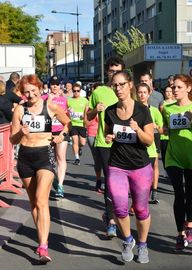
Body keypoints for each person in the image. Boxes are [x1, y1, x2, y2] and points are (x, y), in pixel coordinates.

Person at [10, 74, 71, 264]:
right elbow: (12, 139)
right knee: (33, 203)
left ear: (40, 89)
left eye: (33, 91)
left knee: (41, 199)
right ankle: (41, 235)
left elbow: (67, 123)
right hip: (25, 158)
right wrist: (21, 132)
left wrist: (61, 135)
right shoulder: (20, 110)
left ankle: (43, 246)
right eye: (26, 92)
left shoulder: (50, 106)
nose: (30, 95)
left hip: (45, 155)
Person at [105, 70, 154, 263]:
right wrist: (110, 137)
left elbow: (149, 141)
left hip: (140, 166)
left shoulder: (142, 111)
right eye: (115, 85)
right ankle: (127, 240)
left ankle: (142, 244)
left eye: (121, 84)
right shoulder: (109, 111)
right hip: (117, 165)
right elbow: (109, 133)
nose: (118, 88)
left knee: (141, 209)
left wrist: (138, 130)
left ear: (130, 85)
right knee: (119, 207)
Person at [162, 74, 192, 251]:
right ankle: (180, 234)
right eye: (173, 87)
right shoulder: (167, 108)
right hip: (173, 156)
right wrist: (164, 129)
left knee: (190, 194)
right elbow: (166, 128)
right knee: (178, 194)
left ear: (189, 88)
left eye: (179, 87)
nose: (174, 90)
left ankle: (189, 224)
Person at [87, 56, 125, 238]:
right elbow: (87, 116)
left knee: (124, 184)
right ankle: (111, 219)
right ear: (107, 72)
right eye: (111, 71)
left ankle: (114, 212)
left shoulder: (128, 91)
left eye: (118, 71)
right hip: (105, 142)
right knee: (111, 181)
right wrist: (96, 110)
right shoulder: (99, 91)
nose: (114, 74)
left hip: (126, 142)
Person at [136, 82, 163, 204]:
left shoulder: (155, 111)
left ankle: (140, 202)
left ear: (149, 94)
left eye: (144, 93)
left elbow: (163, 130)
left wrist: (156, 127)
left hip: (150, 149)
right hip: (134, 149)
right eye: (140, 92)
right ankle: (137, 202)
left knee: (145, 180)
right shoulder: (132, 110)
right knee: (137, 180)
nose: (142, 95)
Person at [47, 75, 69, 198]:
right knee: (49, 161)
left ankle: (60, 185)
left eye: (57, 84)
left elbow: (67, 119)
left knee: (61, 158)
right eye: (52, 84)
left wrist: (63, 133)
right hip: (48, 133)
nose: (55, 86)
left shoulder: (64, 100)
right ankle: (53, 180)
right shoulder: (44, 98)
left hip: (61, 132)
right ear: (49, 85)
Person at [85, 82, 104, 193]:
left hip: (105, 135)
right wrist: (95, 111)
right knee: (97, 160)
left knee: (106, 160)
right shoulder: (89, 104)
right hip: (92, 134)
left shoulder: (108, 103)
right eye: (96, 91)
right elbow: (86, 121)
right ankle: (98, 181)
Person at [68, 83, 88, 165]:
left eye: (78, 91)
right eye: (74, 91)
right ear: (72, 91)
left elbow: (87, 113)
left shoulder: (85, 100)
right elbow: (66, 112)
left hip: (82, 124)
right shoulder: (69, 100)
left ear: (80, 91)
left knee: (82, 143)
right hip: (73, 124)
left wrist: (85, 119)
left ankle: (79, 148)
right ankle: (77, 158)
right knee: (74, 141)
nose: (76, 92)